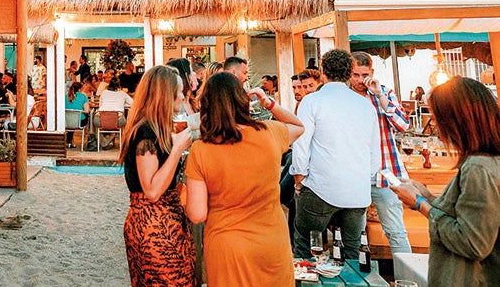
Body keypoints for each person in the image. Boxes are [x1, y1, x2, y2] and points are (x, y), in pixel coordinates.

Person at [185, 72, 304, 286]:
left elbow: (197, 214)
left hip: (227, 245)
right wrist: (268, 103)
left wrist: (182, 192)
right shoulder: (269, 133)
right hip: (271, 241)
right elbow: (298, 126)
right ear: (243, 100)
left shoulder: (201, 150)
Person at [391, 77, 500, 286]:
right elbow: (468, 215)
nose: (436, 127)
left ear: (457, 120)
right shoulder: (486, 162)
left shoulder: (478, 167)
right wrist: (427, 196)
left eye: (437, 118)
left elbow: (472, 242)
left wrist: (420, 204)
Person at [291, 49, 380, 261]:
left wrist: (299, 178)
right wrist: (364, 179)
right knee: (353, 253)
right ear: (349, 71)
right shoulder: (365, 105)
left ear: (322, 72)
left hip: (320, 186)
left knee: (306, 249)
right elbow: (374, 150)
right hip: (357, 190)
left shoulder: (312, 102)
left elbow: (301, 143)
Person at [118, 66, 195, 286]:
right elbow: (151, 190)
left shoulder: (155, 129)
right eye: (179, 91)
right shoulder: (146, 133)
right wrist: (177, 149)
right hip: (154, 227)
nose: (182, 96)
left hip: (162, 222)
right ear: (165, 95)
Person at [350, 51, 411, 256]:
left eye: (363, 74)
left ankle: (407, 278)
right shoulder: (345, 97)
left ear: (372, 72)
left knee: (395, 231)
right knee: (354, 234)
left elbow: (402, 125)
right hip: (355, 174)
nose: (359, 80)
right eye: (355, 75)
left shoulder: (384, 93)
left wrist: (380, 95)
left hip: (386, 172)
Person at [65, 82, 91, 149]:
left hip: (66, 121)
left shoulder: (65, 96)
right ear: (80, 89)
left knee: (72, 120)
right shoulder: (83, 96)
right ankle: (89, 139)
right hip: (79, 122)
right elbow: (87, 110)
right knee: (86, 117)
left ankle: (69, 142)